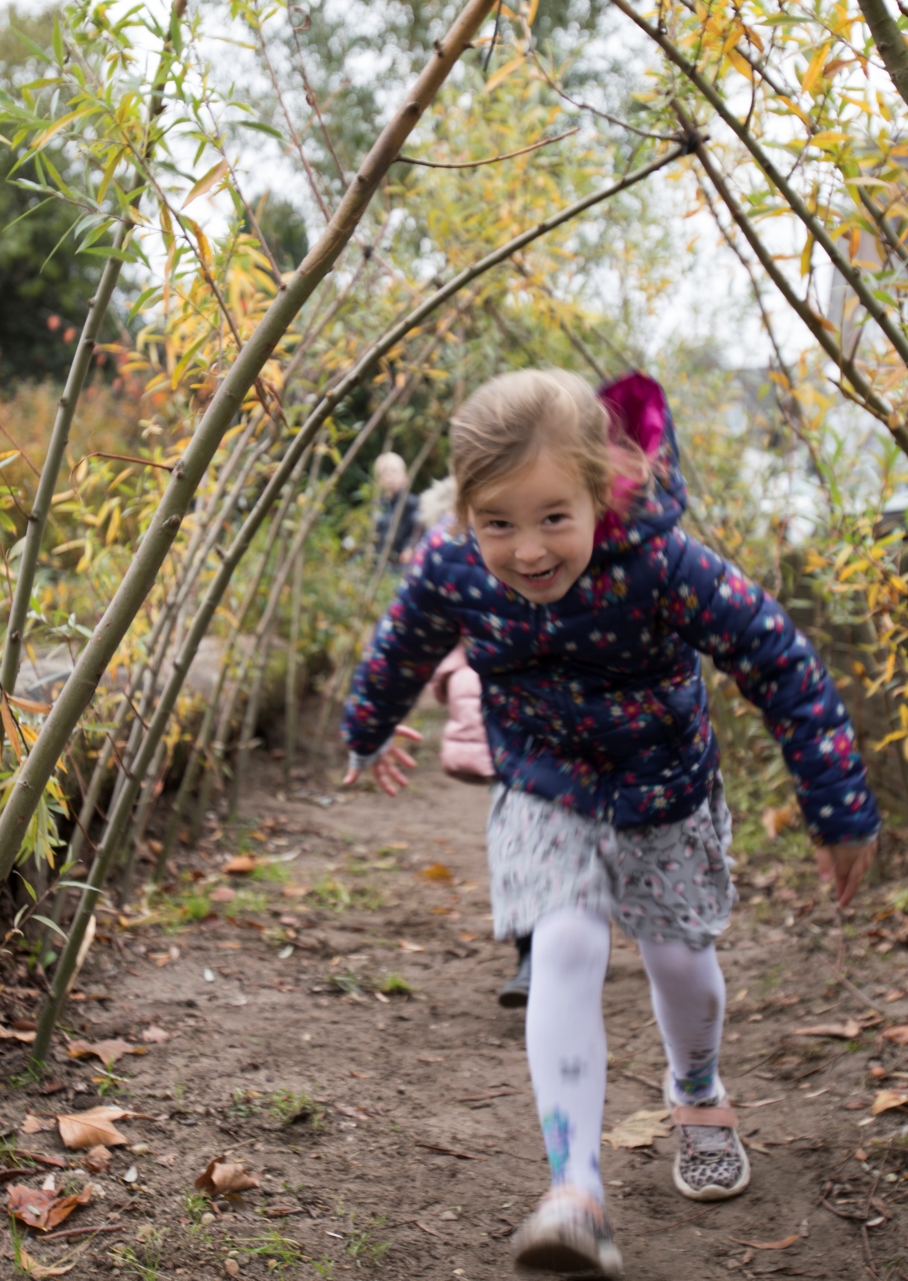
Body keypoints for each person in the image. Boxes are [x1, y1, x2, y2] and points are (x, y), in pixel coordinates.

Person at [340, 370, 879, 1278]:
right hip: (545, 786)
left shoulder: (664, 563)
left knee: (680, 962)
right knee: (565, 943)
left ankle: (696, 1088)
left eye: (554, 515)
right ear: (467, 512)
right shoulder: (453, 565)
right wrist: (368, 725)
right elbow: (401, 644)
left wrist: (838, 807)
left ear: (601, 489)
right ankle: (574, 1189)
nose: (527, 548)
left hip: (665, 786)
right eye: (499, 521)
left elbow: (780, 662)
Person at [417, 478, 535, 1007]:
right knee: (517, 842)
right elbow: (423, 636)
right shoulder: (450, 575)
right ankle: (534, 953)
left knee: (560, 840)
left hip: (559, 727)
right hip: (504, 737)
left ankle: (560, 946)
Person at [370, 450, 421, 558]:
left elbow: (418, 531)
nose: (389, 476)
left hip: (401, 563)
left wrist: (410, 548)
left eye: (394, 471)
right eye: (384, 472)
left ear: (405, 478)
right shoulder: (375, 506)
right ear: (377, 480)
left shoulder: (413, 504)